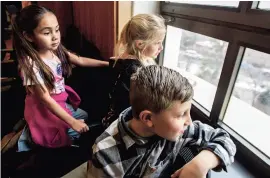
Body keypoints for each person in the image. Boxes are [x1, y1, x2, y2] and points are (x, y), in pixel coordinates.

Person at [88, 65, 236, 178]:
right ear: (148, 118)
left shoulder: (175, 130)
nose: (189, 122)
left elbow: (224, 139)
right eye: (181, 114)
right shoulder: (105, 156)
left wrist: (201, 164)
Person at [11, 5, 109, 151]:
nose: (55, 36)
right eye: (46, 32)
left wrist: (109, 63)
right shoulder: (31, 65)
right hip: (43, 108)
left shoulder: (55, 49)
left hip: (60, 100)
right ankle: (29, 132)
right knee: (64, 137)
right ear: (29, 36)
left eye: (56, 29)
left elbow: (80, 60)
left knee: (84, 116)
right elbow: (45, 99)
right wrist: (72, 122)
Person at [102, 14, 166, 128]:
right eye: (157, 42)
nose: (161, 47)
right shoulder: (136, 72)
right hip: (125, 125)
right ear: (140, 44)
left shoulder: (120, 60)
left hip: (111, 118)